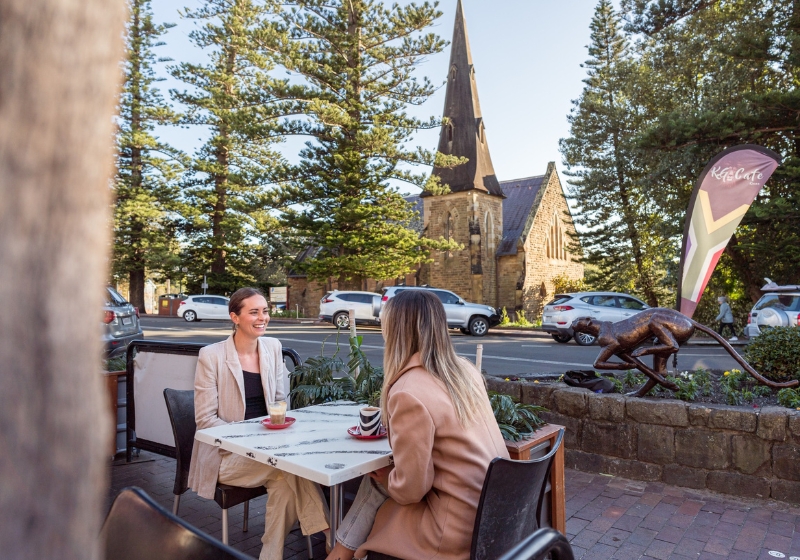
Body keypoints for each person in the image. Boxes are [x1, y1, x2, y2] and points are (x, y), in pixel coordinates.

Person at [326, 289, 509, 560]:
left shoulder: (407, 391)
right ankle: (339, 553)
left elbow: (412, 490)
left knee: (379, 483)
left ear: (396, 330)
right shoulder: (464, 370)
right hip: (494, 513)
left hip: (452, 530)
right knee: (378, 482)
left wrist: (391, 479)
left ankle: (339, 553)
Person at [187, 287, 329, 560]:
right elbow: (205, 421)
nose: (262, 317)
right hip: (225, 456)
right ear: (235, 317)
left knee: (285, 482)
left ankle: (270, 555)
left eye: (264, 311)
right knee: (291, 468)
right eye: (254, 312)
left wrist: (276, 430)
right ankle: (331, 534)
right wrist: (255, 437)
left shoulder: (273, 347)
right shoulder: (212, 356)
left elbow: (279, 401)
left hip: (269, 452)